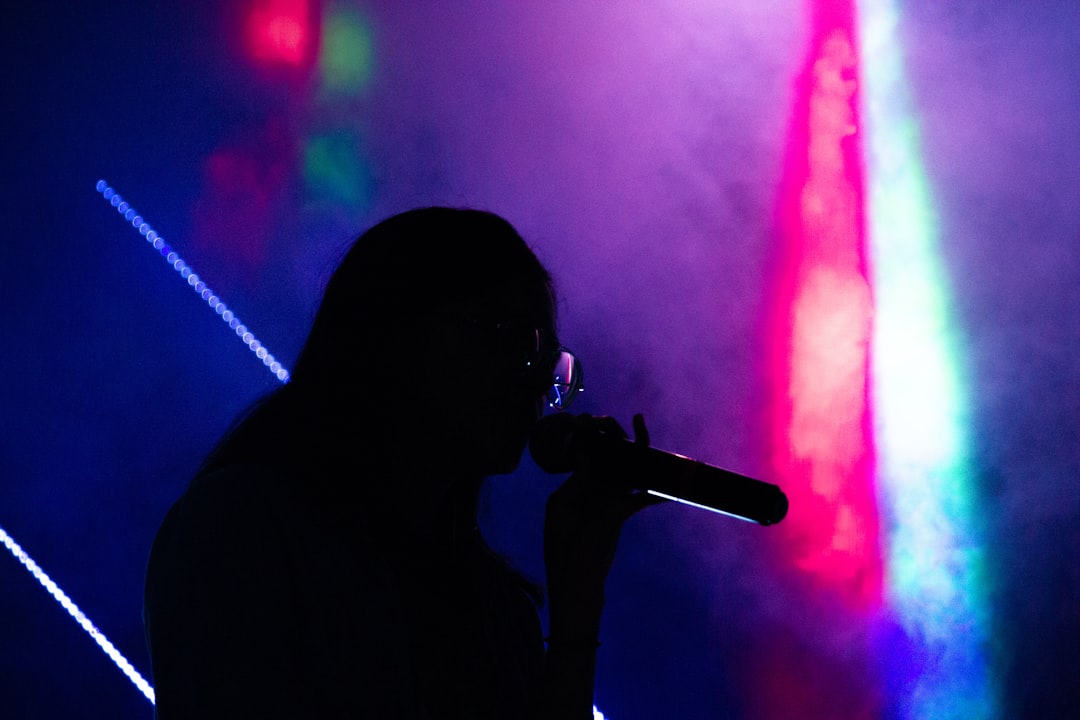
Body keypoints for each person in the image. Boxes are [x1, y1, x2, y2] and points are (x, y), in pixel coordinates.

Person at [144, 207, 659, 719]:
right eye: (510, 336)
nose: (533, 382)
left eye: (548, 363)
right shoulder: (244, 526)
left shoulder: (494, 607)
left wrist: (579, 597)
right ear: (396, 330)